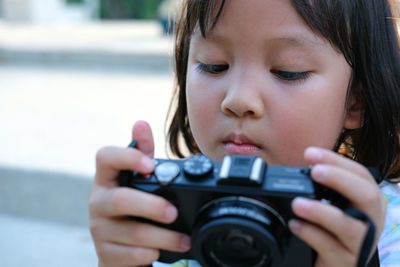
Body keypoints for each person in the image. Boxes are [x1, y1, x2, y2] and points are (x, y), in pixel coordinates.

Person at [89, 0, 400, 266]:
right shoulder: (164, 216)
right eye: (214, 65)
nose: (238, 100)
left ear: (356, 101)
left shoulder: (383, 230)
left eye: (287, 71)